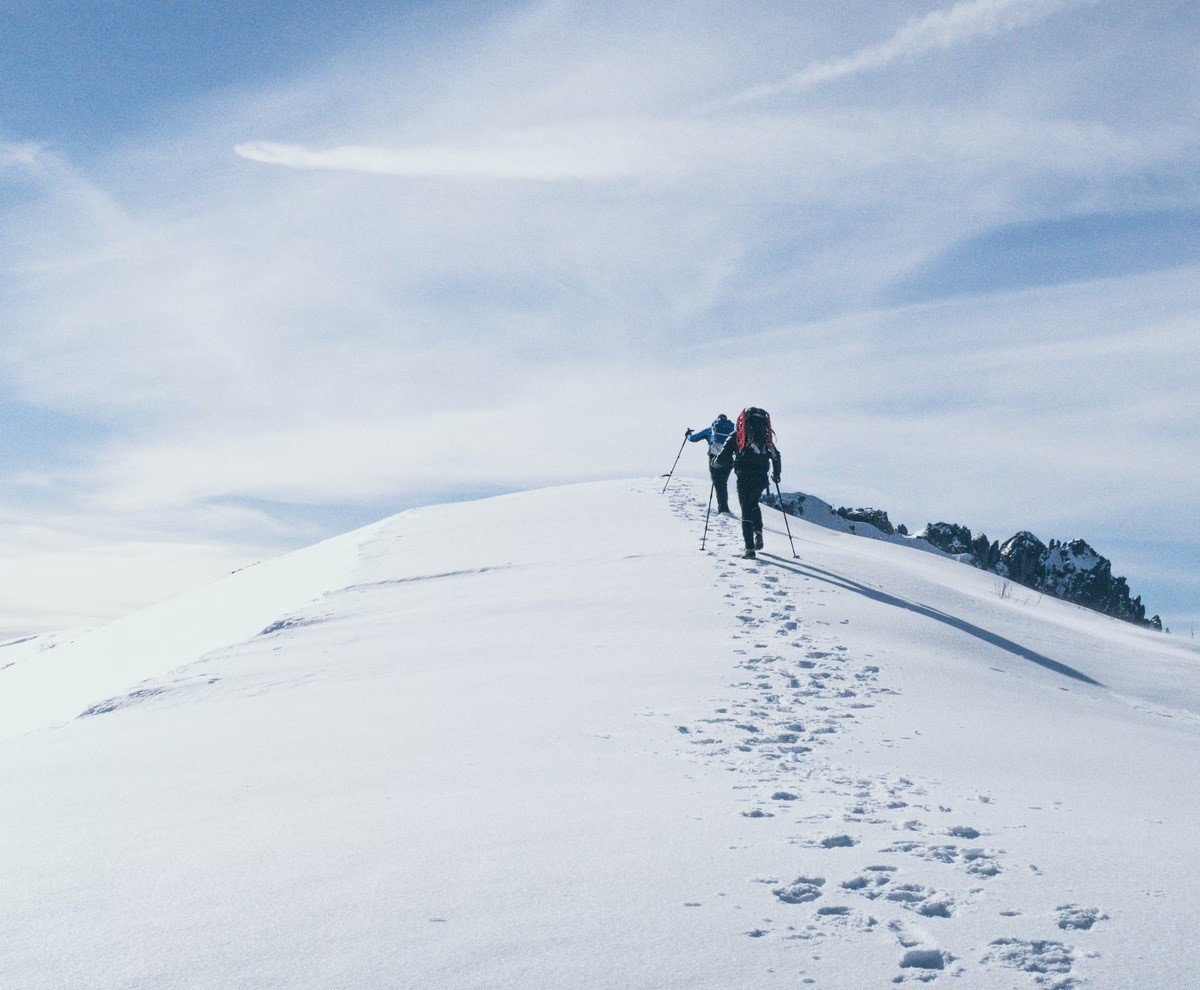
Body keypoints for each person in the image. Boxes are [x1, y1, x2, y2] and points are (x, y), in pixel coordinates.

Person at [714, 407, 781, 559]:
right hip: (761, 477)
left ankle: (749, 548)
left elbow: (723, 457)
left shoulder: (738, 435)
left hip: (744, 476)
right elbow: (777, 457)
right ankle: (758, 532)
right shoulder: (765, 437)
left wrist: (715, 463)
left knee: (745, 508)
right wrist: (776, 475)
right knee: (754, 503)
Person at [686, 414, 736, 513]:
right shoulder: (732, 431)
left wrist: (688, 434)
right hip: (728, 459)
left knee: (718, 483)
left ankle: (723, 509)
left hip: (714, 459)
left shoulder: (711, 430)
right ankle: (724, 508)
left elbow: (693, 438)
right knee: (723, 483)